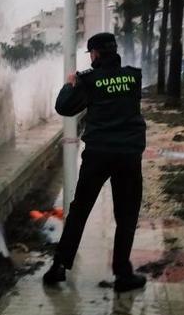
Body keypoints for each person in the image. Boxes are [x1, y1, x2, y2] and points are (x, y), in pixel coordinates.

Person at [43, 32, 147, 292]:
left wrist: (71, 84)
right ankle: (123, 274)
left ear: (96, 54)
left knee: (79, 211)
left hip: (98, 154)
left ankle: (58, 267)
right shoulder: (134, 77)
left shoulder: (89, 80)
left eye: (91, 53)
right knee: (126, 215)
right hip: (128, 155)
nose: (90, 57)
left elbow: (64, 108)